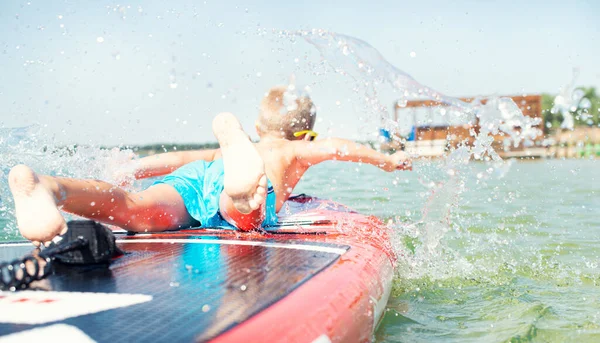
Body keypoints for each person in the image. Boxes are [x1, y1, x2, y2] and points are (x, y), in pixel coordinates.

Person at [8, 85, 412, 247]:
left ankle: (51, 188)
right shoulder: (293, 152)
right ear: (307, 132)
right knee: (244, 214)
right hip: (241, 188)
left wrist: (132, 170)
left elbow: (177, 159)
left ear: (256, 128)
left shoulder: (236, 150)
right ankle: (240, 195)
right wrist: (387, 160)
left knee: (135, 208)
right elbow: (339, 148)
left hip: (197, 178)